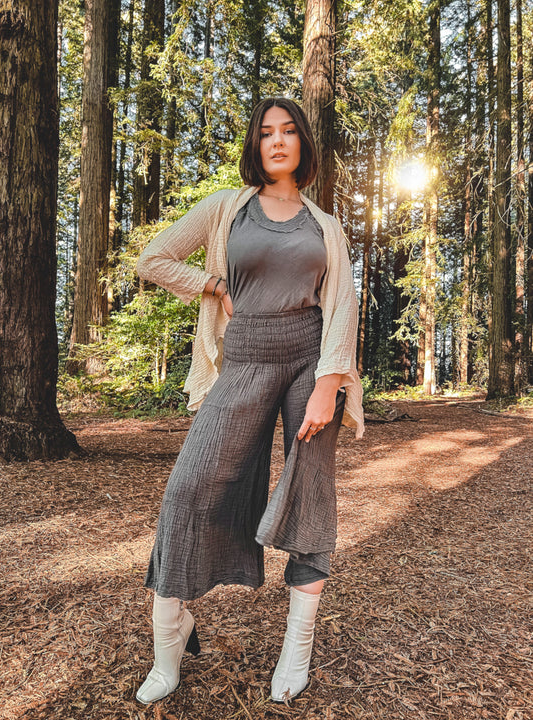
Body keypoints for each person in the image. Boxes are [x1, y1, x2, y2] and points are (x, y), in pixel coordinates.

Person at [134, 97, 364, 706]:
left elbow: (343, 307)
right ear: (255, 145)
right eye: (267, 133)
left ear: (303, 145)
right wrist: (210, 284)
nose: (279, 141)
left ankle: (298, 646)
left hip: (309, 365)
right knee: (187, 489)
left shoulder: (325, 226)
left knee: (310, 494)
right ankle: (170, 638)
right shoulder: (228, 209)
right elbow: (152, 258)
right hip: (242, 360)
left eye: (289, 131)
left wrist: (328, 383)